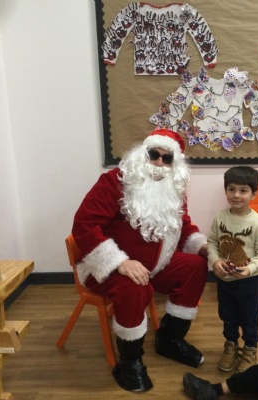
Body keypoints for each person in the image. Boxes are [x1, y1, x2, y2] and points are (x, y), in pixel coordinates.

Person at [72, 129, 208, 392]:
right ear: (142, 154)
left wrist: (202, 247)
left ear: (174, 164)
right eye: (153, 154)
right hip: (108, 267)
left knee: (195, 266)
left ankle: (169, 339)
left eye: (167, 158)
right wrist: (120, 262)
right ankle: (129, 361)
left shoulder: (174, 188)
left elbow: (183, 225)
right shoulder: (114, 182)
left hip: (156, 265)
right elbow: (84, 225)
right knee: (134, 286)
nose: (158, 162)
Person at [207, 166, 258, 372]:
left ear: (254, 194)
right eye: (231, 189)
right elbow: (212, 242)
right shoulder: (220, 217)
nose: (236, 195)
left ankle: (250, 349)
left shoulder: (257, 222)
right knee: (228, 316)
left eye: (243, 190)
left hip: (248, 282)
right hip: (224, 281)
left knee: (250, 318)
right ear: (225, 190)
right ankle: (231, 345)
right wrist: (215, 261)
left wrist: (250, 269)